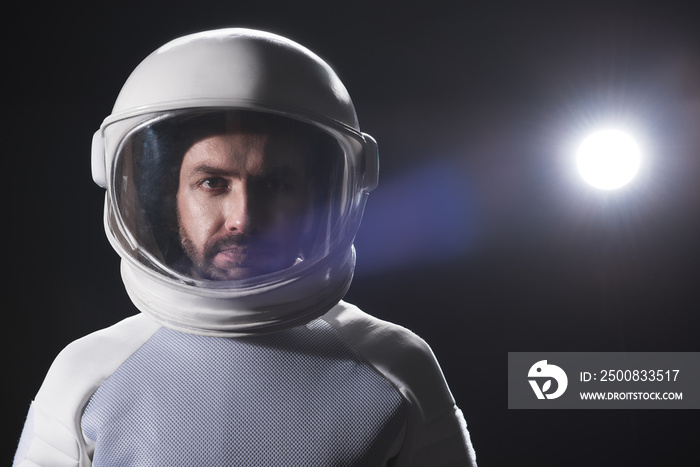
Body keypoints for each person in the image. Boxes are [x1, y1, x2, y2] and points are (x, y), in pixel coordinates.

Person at [13, 28, 478, 466]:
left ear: (315, 195)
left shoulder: (397, 366)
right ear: (168, 195)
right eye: (213, 183)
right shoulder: (86, 373)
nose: (243, 218)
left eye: (276, 183)